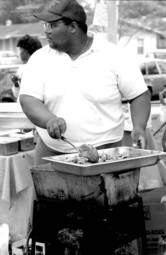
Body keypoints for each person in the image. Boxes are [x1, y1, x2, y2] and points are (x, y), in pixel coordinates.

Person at [19, 0, 151, 165]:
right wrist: (49, 120)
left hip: (106, 154)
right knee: (47, 192)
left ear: (73, 27)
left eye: (52, 26)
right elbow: (28, 99)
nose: (46, 32)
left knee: (108, 191)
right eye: (45, 25)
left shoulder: (114, 55)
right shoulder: (39, 58)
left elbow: (139, 94)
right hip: (51, 153)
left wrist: (139, 126)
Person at [11, 34, 42, 99]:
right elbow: (17, 95)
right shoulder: (22, 69)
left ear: (27, 50)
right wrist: (16, 83)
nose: (19, 53)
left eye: (20, 49)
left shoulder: (40, 68)